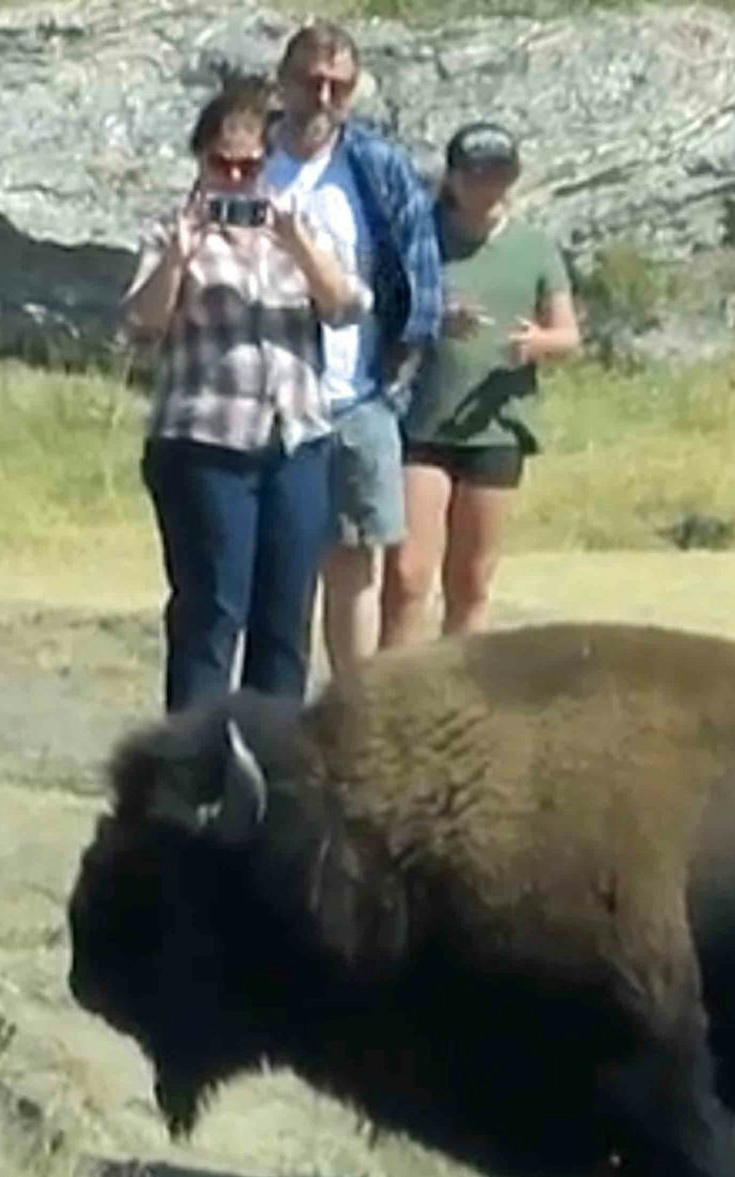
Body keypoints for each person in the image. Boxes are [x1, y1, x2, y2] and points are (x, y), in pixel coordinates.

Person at [121, 74, 368, 712]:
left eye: (249, 166)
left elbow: (345, 306)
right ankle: (195, 768)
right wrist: (178, 260)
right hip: (204, 441)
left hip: (295, 438)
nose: (235, 179)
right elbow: (142, 326)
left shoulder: (302, 227)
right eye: (221, 165)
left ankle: (271, 769)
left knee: (285, 617)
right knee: (212, 611)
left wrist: (298, 245)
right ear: (200, 161)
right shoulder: (167, 231)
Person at [261, 21, 444, 683]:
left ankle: (353, 713)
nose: (324, 95)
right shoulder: (249, 161)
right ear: (283, 82)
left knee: (356, 567)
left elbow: (421, 274)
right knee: (277, 566)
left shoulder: (376, 165)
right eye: (311, 81)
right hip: (265, 399)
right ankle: (273, 711)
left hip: (357, 396)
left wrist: (396, 382)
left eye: (338, 85)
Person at [383, 122, 580, 646]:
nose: (489, 187)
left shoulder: (534, 248)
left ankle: (459, 699)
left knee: (470, 582)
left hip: (496, 427)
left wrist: (538, 342)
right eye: (478, 175)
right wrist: (434, 316)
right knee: (406, 575)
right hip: (419, 421)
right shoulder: (419, 235)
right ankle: (390, 694)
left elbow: (568, 336)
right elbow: (382, 308)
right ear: (453, 178)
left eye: (500, 175)